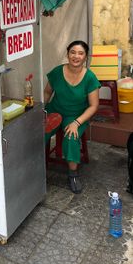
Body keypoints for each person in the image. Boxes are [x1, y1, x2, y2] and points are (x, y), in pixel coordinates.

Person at [44, 40, 100, 194]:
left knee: (70, 136)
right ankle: (35, 168)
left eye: (80, 53)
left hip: (77, 115)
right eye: (73, 52)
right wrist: (41, 109)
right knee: (38, 131)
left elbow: (94, 106)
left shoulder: (90, 77)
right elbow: (48, 92)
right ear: (67, 54)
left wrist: (76, 122)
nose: (76, 56)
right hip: (55, 110)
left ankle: (73, 174)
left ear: (85, 57)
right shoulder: (57, 72)